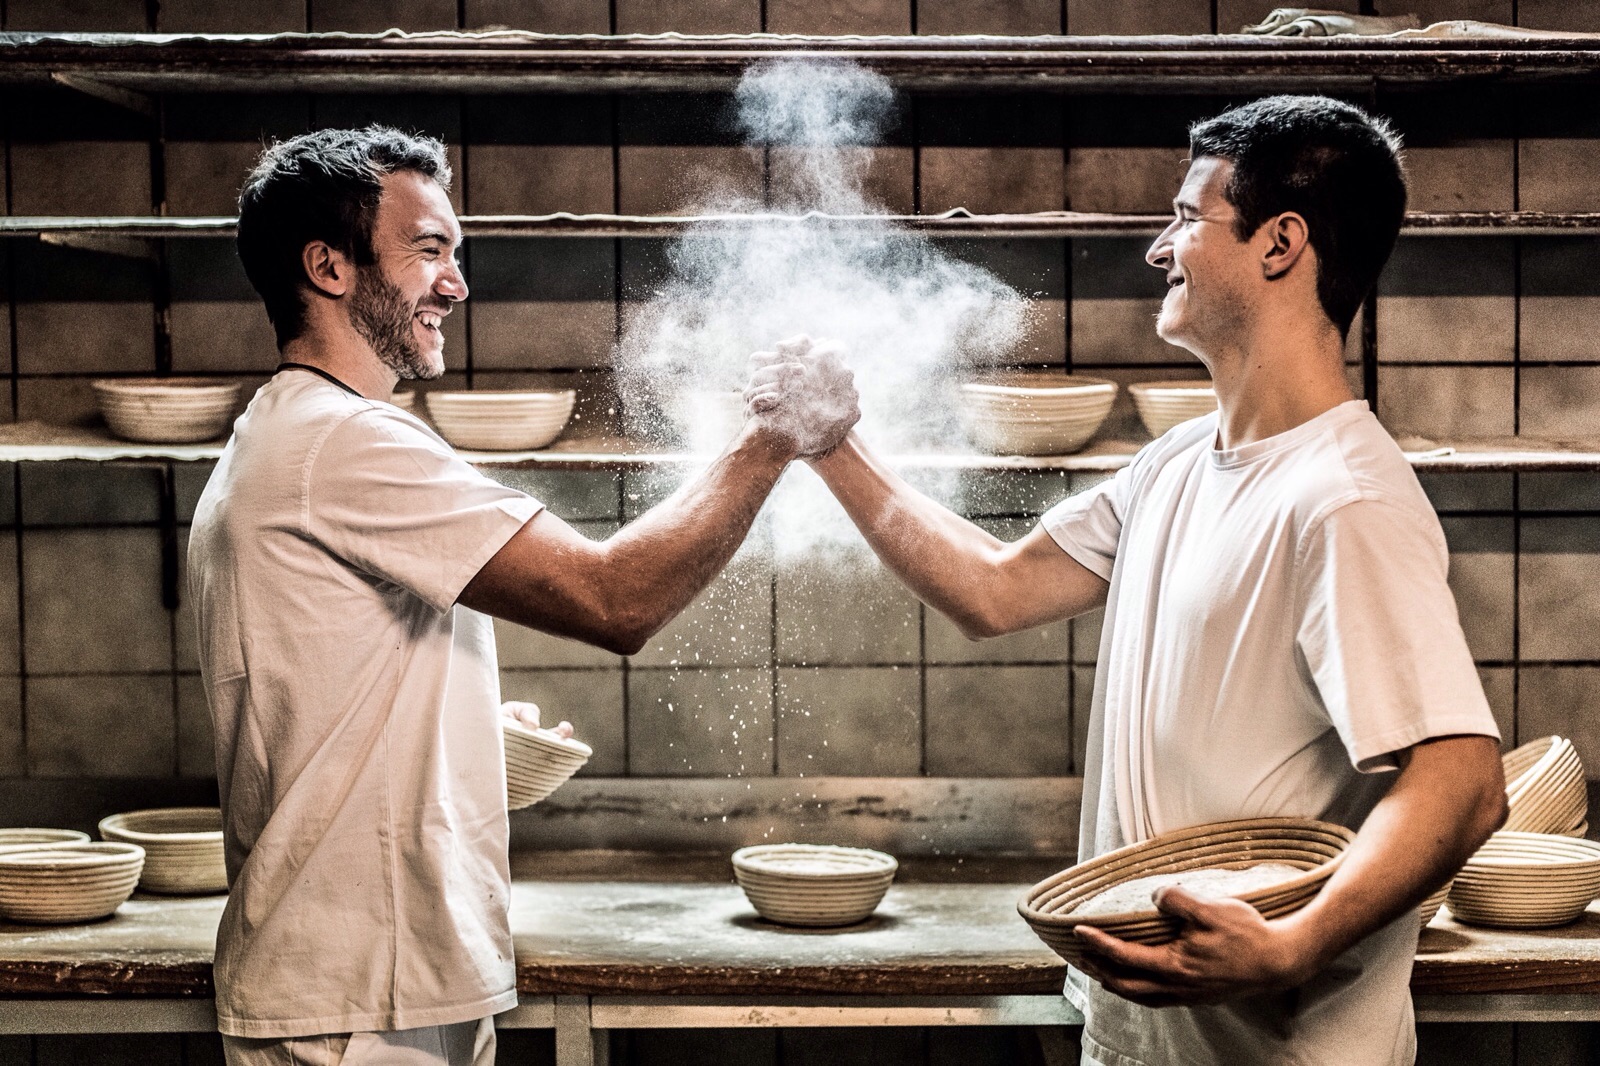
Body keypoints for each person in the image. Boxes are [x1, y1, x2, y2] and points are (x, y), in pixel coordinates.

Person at [783, 96, 1507, 1064]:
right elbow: (992, 591)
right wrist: (831, 445)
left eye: (1183, 218)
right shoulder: (1172, 465)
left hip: (1278, 1050)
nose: (1158, 249)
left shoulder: (1342, 499)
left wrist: (1292, 941)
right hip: (1143, 1037)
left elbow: (1462, 782)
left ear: (1280, 244)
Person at [188, 126, 858, 1066]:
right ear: (327, 267)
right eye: (428, 251)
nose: (455, 284)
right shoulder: (342, 444)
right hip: (356, 1004)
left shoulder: (287, 433)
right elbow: (613, 599)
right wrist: (775, 437)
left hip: (367, 986)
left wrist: (446, 724)